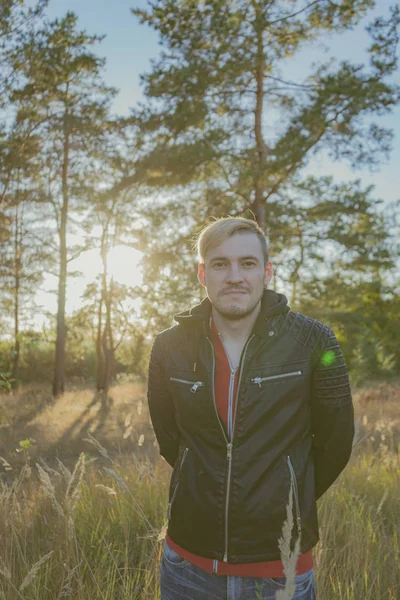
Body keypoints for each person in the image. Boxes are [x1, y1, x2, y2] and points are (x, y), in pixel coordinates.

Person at [147, 217, 355, 600]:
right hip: (187, 567)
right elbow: (171, 439)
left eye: (247, 263)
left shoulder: (313, 341)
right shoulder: (168, 347)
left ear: (266, 271)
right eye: (220, 264)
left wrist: (285, 494)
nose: (234, 276)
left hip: (280, 571)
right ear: (201, 273)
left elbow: (335, 442)